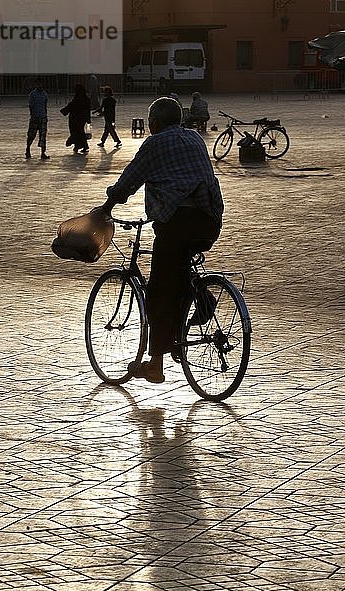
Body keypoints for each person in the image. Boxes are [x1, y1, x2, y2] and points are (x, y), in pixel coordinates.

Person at [102, 97, 223, 384]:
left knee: (158, 290)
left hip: (178, 222)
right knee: (177, 272)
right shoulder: (194, 138)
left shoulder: (154, 144)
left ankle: (155, 364)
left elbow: (128, 182)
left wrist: (105, 208)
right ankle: (201, 298)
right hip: (209, 221)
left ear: (154, 122)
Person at [60, 84, 91, 153]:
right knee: (80, 132)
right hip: (82, 119)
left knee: (76, 132)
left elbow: (71, 106)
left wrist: (64, 111)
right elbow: (87, 111)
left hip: (74, 119)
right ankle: (81, 146)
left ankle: (76, 144)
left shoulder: (77, 99)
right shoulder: (86, 99)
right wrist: (88, 120)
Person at [25, 79, 49, 159]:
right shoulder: (32, 94)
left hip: (43, 117)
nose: (39, 86)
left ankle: (43, 153)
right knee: (31, 135)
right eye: (37, 84)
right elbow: (31, 106)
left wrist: (46, 116)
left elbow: (45, 106)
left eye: (40, 84)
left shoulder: (44, 94)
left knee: (43, 136)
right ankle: (28, 150)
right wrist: (32, 115)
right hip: (35, 117)